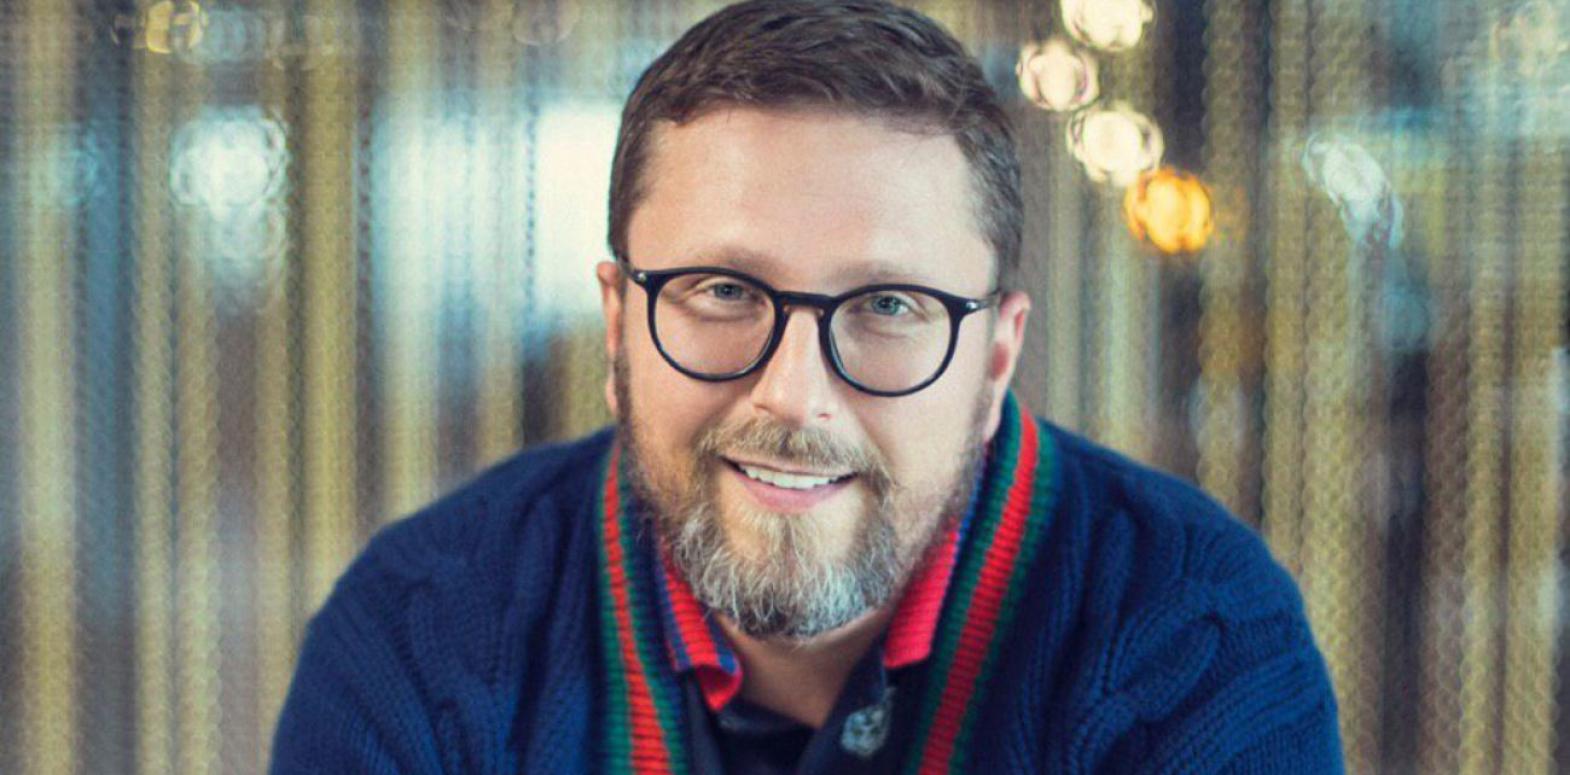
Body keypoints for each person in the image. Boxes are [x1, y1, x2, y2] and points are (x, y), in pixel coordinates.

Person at [271, 1, 1344, 772]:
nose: (793, 395)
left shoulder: (1192, 641)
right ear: (618, 324)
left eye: (888, 305)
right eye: (721, 290)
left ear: (995, 361)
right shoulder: (419, 638)